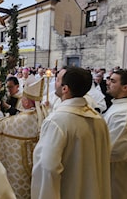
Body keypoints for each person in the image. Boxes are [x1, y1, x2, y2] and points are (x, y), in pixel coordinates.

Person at [31, 66, 111, 199]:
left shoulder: (57, 121)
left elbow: (47, 168)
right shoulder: (99, 120)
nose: (54, 83)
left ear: (65, 89)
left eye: (57, 80)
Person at [0, 79, 47, 199]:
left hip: (23, 169)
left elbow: (1, 125)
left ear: (26, 102)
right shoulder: (44, 114)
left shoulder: (23, 120)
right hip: (39, 165)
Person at [102, 69, 127, 199]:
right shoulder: (118, 106)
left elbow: (114, 150)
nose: (107, 83)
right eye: (109, 79)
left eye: (112, 81)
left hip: (118, 175)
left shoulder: (126, 114)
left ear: (125, 87)